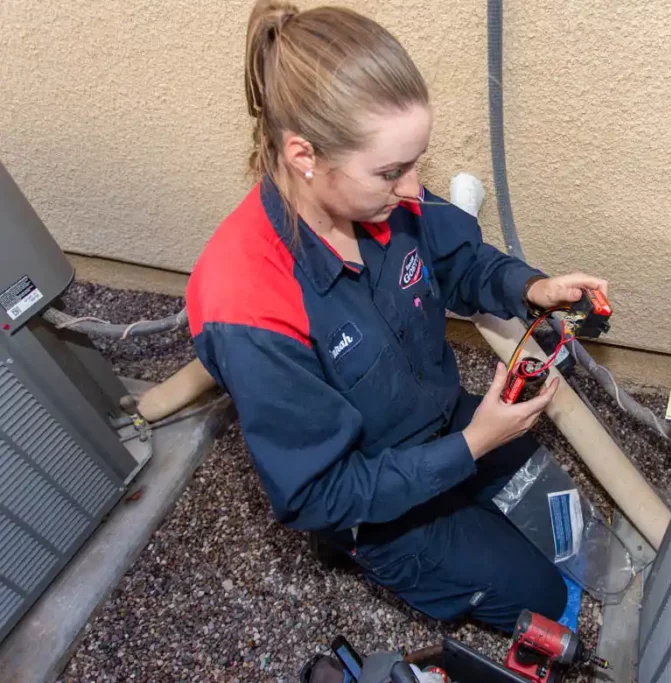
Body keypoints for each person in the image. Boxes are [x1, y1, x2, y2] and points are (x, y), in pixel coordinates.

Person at [185, 0, 608, 633]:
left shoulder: (380, 195)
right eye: (391, 172)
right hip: (366, 499)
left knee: (552, 503)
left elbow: (459, 254)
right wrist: (474, 443)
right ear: (304, 155)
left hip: (433, 421)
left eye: (416, 163)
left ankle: (476, 488)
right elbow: (316, 493)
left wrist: (533, 286)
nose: (414, 189)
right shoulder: (247, 301)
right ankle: (375, 556)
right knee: (544, 600)